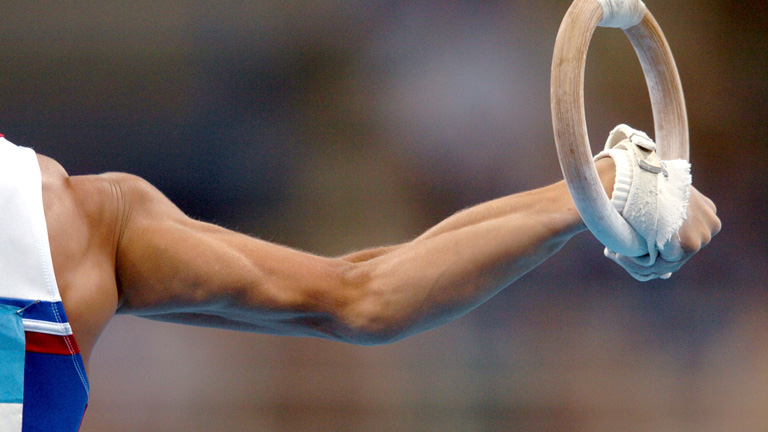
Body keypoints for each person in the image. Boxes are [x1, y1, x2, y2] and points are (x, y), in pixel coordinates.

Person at [0, 129, 720, 431]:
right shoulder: (69, 220)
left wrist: (598, 192)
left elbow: (359, 293)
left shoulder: (69, 220)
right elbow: (360, 297)